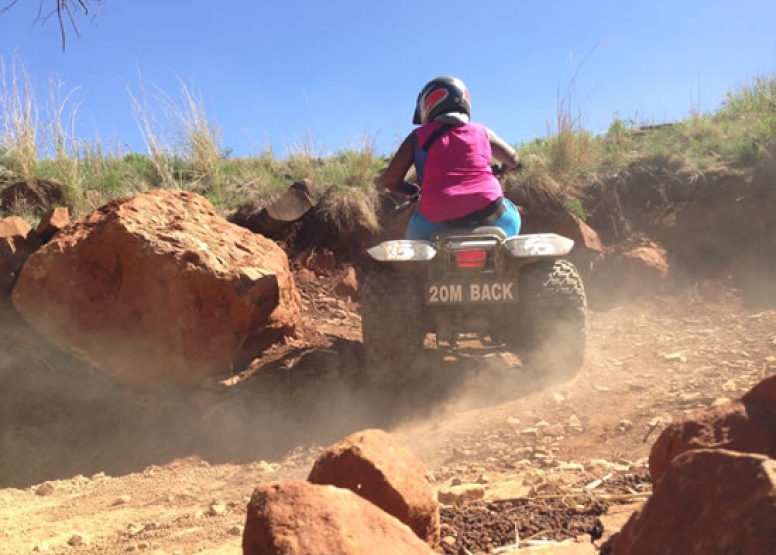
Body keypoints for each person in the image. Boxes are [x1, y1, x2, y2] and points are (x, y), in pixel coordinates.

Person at [381, 75, 523, 240]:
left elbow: (390, 181)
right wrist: (503, 170)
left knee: (414, 243)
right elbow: (513, 159)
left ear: (428, 105)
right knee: (512, 215)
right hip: (493, 216)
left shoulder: (418, 137)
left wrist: (412, 190)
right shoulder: (482, 131)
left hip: (435, 220)